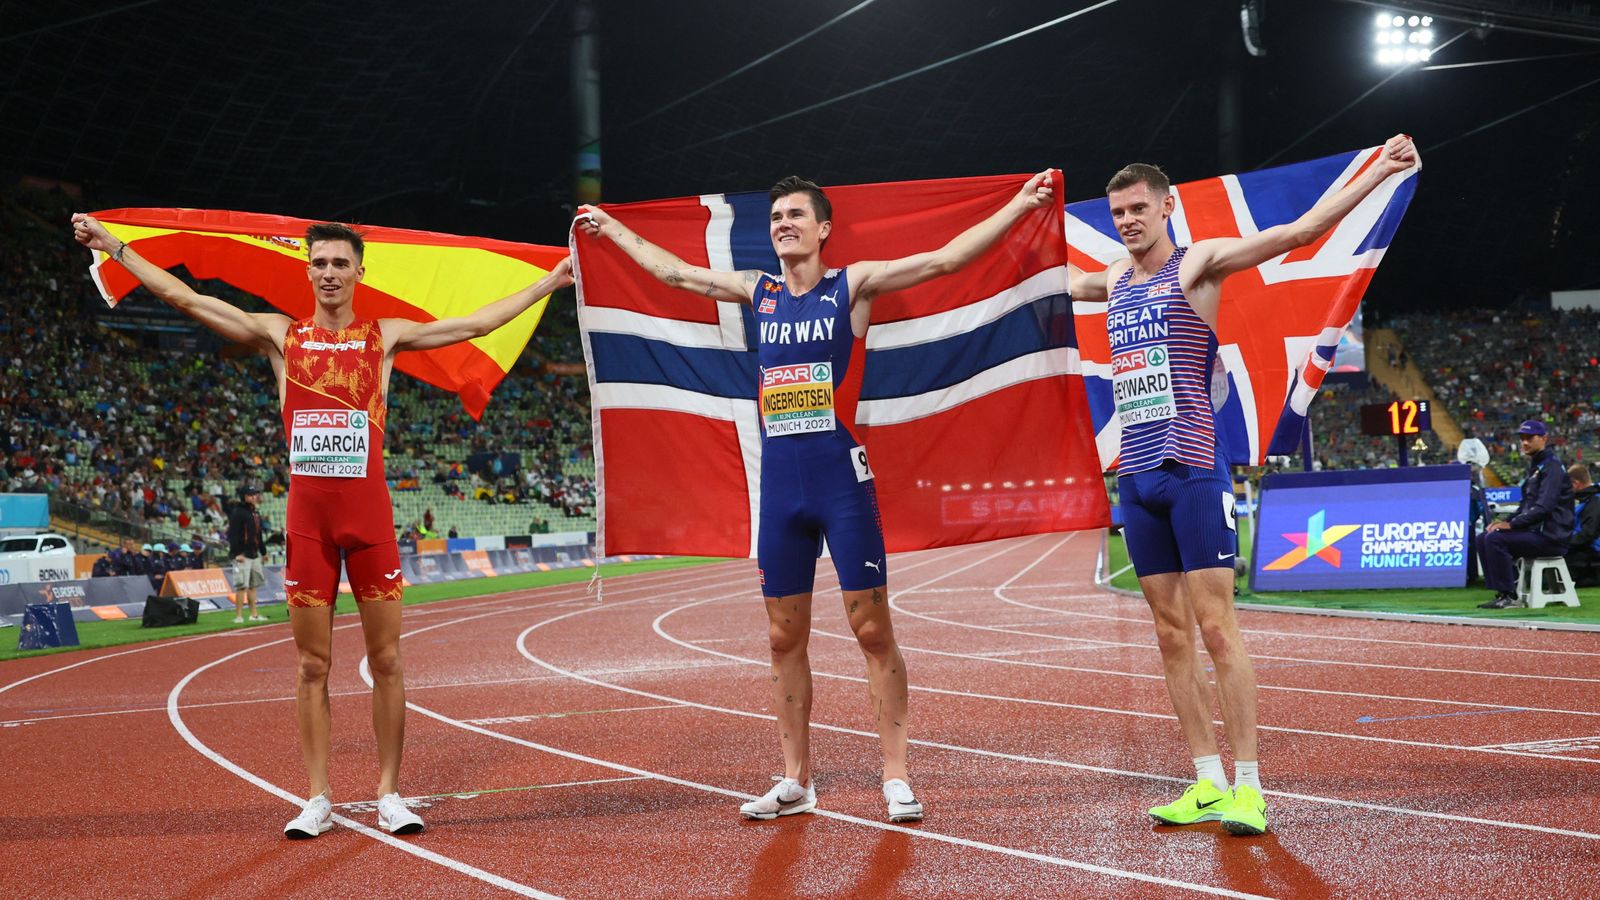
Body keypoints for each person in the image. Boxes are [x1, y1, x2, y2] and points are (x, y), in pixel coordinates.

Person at [72, 213, 572, 839]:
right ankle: (318, 798)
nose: (329, 272)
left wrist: (549, 284)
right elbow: (183, 295)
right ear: (306, 270)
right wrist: (114, 245)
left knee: (387, 660)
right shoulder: (281, 336)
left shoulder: (385, 336)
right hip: (309, 523)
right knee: (312, 665)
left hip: (370, 520)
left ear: (360, 272)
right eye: (320, 263)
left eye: (341, 263)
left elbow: (474, 324)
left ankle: (390, 794)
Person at [578, 171, 1055, 823]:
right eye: (776, 216)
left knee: (871, 629)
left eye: (796, 214)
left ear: (824, 227)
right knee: (781, 637)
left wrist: (1018, 206)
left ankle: (895, 775)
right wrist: (614, 229)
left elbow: (946, 259)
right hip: (781, 486)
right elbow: (678, 275)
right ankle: (796, 780)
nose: (783, 224)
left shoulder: (850, 287)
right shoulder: (759, 291)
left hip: (840, 480)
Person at [1066, 134, 1420, 835]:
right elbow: (1041, 281)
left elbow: (1301, 231)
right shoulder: (1111, 278)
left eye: (1138, 208)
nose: (1127, 220)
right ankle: (1205, 781)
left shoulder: (1199, 264)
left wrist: (1379, 170)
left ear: (1167, 207)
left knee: (1217, 631)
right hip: (1136, 478)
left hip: (1195, 468)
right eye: (1118, 212)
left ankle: (1250, 787)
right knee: (1170, 636)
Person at [1475, 421, 1575, 608]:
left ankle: (1510, 597)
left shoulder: (1551, 467)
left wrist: (1512, 525)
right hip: (1537, 533)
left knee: (1494, 540)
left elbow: (1544, 507)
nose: (1525, 443)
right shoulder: (1536, 468)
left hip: (1551, 536)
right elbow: (1524, 507)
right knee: (1484, 537)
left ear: (1544, 438)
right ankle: (1503, 591)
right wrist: (1503, 522)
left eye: (1530, 438)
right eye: (1522, 439)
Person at [229, 485, 268, 623]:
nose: (254, 497)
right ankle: (238, 616)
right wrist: (236, 553)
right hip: (242, 555)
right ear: (244, 497)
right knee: (241, 586)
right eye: (251, 495)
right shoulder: (238, 512)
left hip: (254, 554)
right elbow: (232, 534)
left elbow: (258, 534)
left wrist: (263, 552)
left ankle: (254, 615)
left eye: (254, 495)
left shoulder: (254, 513)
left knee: (252, 586)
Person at [1569, 464, 1600, 587]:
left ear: (1576, 483)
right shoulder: (1588, 500)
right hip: (1586, 553)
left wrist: (1562, 542)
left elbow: (1587, 534)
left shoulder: (1595, 502)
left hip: (1590, 558)